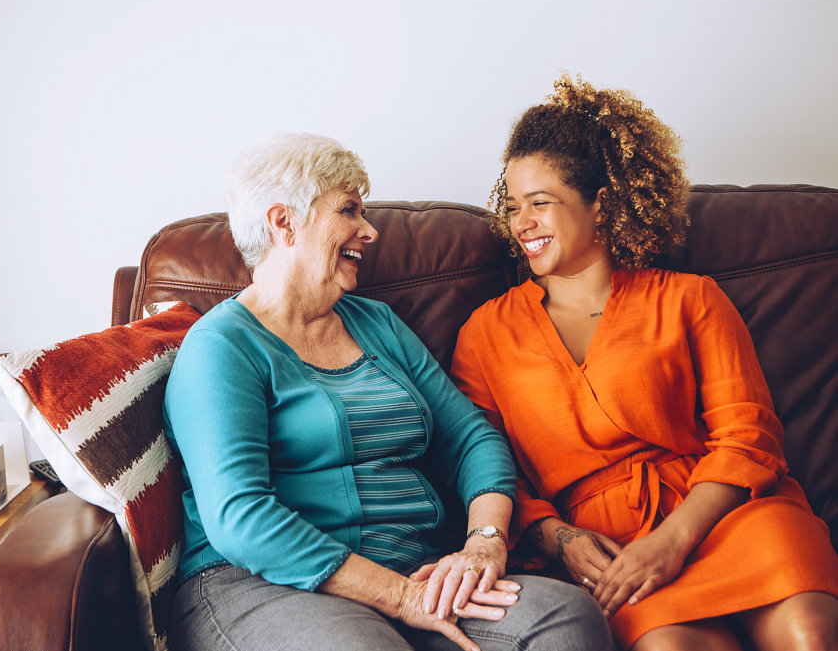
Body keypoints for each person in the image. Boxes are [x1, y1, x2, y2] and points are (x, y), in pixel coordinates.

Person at [162, 132, 614, 651]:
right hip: (262, 585)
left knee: (563, 619)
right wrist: (398, 597)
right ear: (283, 222)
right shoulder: (222, 347)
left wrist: (483, 544)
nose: (369, 231)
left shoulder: (376, 323)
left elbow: (471, 438)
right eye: (349, 210)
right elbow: (239, 517)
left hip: (414, 570)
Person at [451, 75, 838, 651]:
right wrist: (560, 540)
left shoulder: (689, 298)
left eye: (541, 203)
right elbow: (485, 465)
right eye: (513, 206)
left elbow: (748, 437)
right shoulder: (485, 334)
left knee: (808, 633)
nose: (522, 222)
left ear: (600, 204)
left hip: (725, 517)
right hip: (609, 550)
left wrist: (675, 539)